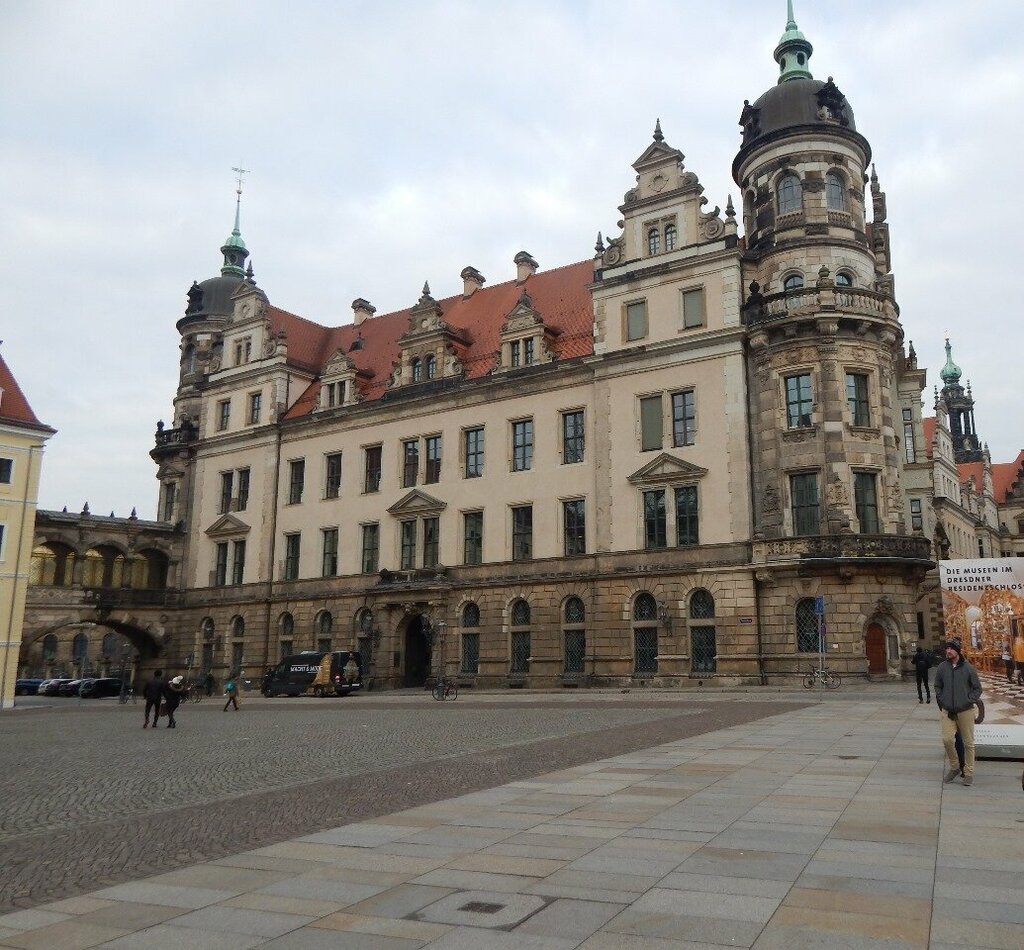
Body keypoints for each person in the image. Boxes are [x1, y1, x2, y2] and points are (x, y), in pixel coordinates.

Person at [934, 637, 983, 786]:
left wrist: (969, 699)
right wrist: (942, 700)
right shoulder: (942, 667)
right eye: (947, 648)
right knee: (947, 740)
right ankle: (955, 767)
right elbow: (937, 685)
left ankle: (968, 772)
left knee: (969, 743)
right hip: (948, 710)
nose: (948, 651)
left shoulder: (968, 668)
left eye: (951, 648)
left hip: (965, 710)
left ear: (957, 651)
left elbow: (977, 688)